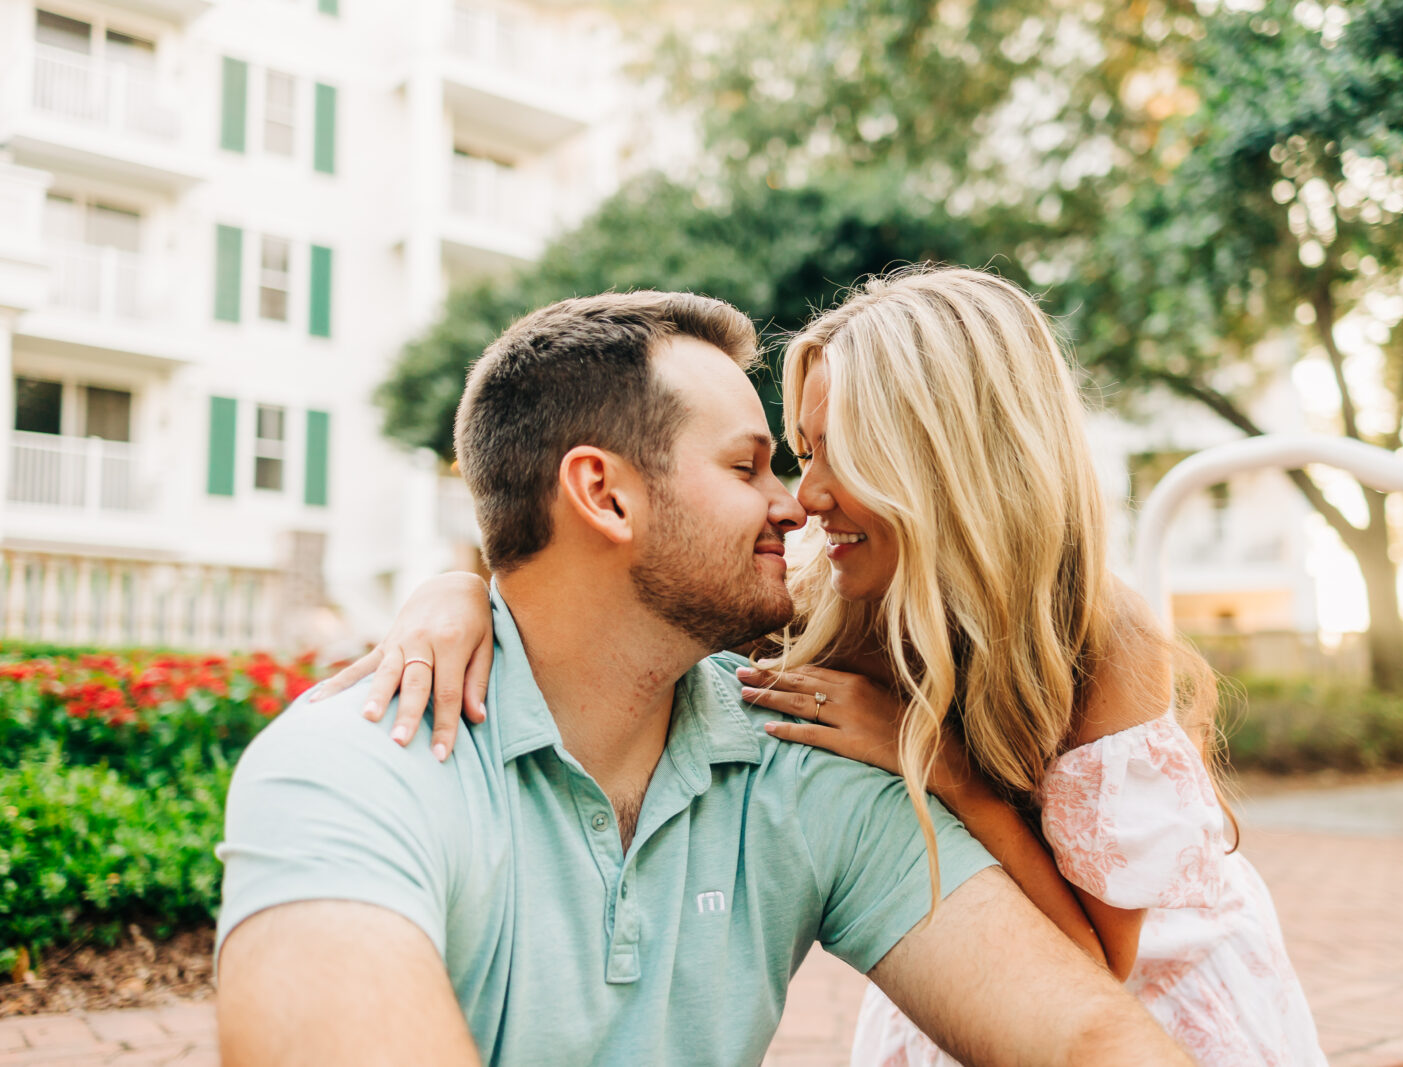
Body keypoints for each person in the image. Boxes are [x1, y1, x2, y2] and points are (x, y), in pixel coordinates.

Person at [332, 269, 1326, 1066]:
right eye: (791, 454)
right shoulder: (836, 594)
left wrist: (939, 766)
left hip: (1157, 984)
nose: (803, 499)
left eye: (827, 454)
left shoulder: (1100, 639)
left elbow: (1100, 966)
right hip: (978, 954)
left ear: (939, 462)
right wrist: (451, 591)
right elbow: (609, 592)